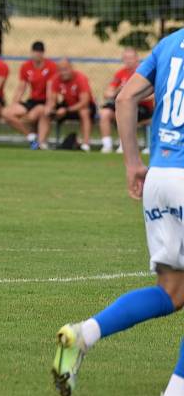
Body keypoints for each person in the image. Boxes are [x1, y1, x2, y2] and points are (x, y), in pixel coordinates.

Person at [51, 29, 184, 396]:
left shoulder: (170, 43)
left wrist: (132, 164)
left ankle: (83, 335)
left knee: (173, 291)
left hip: (159, 175)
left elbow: (125, 98)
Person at [2, 41, 57, 149]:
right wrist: (15, 102)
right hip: (32, 101)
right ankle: (31, 137)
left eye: (39, 52)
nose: (37, 54)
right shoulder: (26, 66)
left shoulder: (51, 66)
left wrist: (50, 105)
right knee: (6, 113)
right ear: (31, 53)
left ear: (43, 53)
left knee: (36, 115)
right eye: (35, 52)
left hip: (44, 101)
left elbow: (51, 89)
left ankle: (41, 143)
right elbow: (21, 87)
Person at [99, 47, 153, 153]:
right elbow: (107, 93)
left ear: (137, 58)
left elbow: (154, 94)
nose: (128, 61)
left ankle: (125, 144)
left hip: (142, 106)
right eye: (125, 58)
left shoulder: (145, 72)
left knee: (126, 111)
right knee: (105, 113)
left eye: (130, 58)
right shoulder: (120, 74)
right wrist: (118, 90)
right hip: (123, 104)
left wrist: (134, 96)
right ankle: (107, 145)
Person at [40, 58, 94, 151]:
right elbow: (52, 99)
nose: (63, 72)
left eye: (65, 69)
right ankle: (41, 144)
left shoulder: (81, 78)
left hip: (83, 106)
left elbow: (84, 102)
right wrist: (50, 108)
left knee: (84, 112)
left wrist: (67, 110)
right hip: (67, 106)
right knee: (45, 113)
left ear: (71, 68)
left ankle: (85, 145)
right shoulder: (56, 79)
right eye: (60, 70)